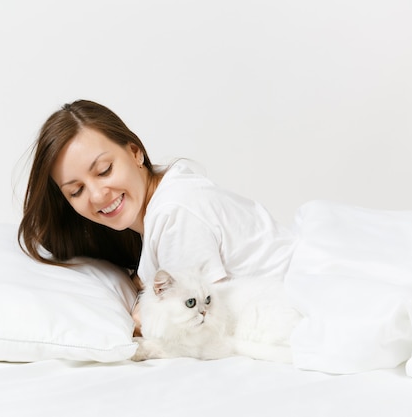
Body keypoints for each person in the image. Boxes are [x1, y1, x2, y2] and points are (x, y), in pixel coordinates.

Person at [18, 99, 296, 333]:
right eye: (76, 191)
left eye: (104, 170)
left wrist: (140, 320)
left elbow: (204, 324)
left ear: (135, 152)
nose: (97, 196)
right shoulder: (163, 197)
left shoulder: (174, 212)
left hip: (301, 302)